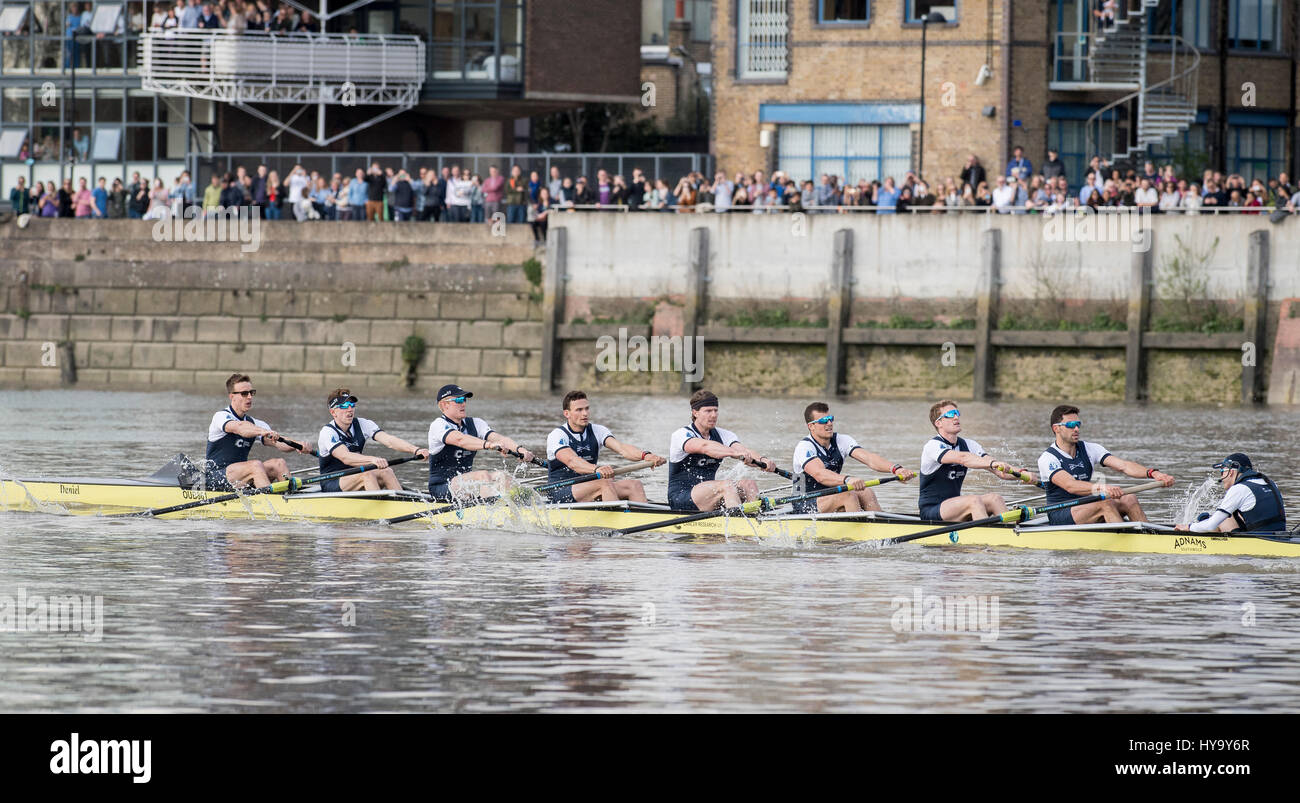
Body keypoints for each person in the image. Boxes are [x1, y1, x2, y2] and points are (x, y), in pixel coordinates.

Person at [1037, 405, 1174, 525]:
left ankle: (1147, 536)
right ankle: (1124, 543)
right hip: (1061, 514)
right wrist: (1103, 488)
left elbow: (1124, 466)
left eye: (1078, 424)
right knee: (1105, 502)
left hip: (1086, 507)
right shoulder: (1048, 458)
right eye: (1071, 425)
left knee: (1129, 498)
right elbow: (1070, 485)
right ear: (1056, 429)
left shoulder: (1090, 449)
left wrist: (1153, 473)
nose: (1077, 429)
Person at [918, 400, 1037, 522]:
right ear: (938, 423)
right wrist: (991, 463)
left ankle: (1012, 535)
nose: (955, 417)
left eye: (957, 413)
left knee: (995, 499)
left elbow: (1000, 471)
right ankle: (988, 536)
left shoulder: (969, 444)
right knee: (973, 500)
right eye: (950, 414)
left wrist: (1023, 473)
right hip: (932, 511)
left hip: (956, 507)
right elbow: (963, 458)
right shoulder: (932, 446)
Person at [545, 390, 665, 504]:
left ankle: (642, 520)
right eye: (579, 410)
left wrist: (646, 455)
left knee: (634, 485)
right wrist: (596, 469)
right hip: (560, 491)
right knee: (604, 483)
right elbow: (572, 461)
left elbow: (622, 448)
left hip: (590, 487)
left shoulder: (598, 430)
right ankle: (618, 522)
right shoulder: (557, 435)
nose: (585, 413)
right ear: (567, 414)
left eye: (587, 408)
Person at [792, 402, 914, 514]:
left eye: (830, 419)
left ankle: (881, 528)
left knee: (866, 492)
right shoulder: (805, 447)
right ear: (811, 426)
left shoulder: (841, 440)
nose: (829, 423)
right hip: (804, 503)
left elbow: (869, 458)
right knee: (847, 495)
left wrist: (895, 469)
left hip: (830, 497)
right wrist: (847, 479)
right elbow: (820, 474)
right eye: (823, 421)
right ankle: (858, 534)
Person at [667, 389, 777, 512]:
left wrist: (762, 460)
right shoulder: (681, 435)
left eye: (715, 410)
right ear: (695, 412)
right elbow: (704, 446)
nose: (714, 415)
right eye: (708, 411)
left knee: (748, 484)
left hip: (710, 495)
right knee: (727, 485)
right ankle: (738, 524)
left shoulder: (724, 435)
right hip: (681, 498)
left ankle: (758, 519)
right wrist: (734, 453)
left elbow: (743, 450)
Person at [426, 384, 536, 502]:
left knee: (502, 477)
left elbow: (499, 438)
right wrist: (488, 445)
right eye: (458, 400)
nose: (463, 403)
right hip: (442, 487)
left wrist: (520, 450)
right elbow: (460, 440)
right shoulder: (438, 425)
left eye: (464, 400)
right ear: (444, 405)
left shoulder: (476, 423)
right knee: (482, 476)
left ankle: (526, 506)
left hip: (465, 484)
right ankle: (492, 512)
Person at [204, 373, 311, 490]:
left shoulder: (256, 423)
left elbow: (279, 443)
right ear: (232, 396)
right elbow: (239, 427)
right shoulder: (221, 417)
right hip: (216, 478)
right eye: (244, 393)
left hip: (240, 476)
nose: (249, 397)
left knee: (279, 464)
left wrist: (298, 445)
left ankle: (293, 499)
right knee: (255, 465)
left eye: (251, 393)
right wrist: (262, 432)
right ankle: (270, 503)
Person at [316, 388, 428, 492]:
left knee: (386, 471)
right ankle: (380, 509)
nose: (350, 409)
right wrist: (373, 459)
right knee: (367, 474)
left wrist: (415, 450)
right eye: (344, 406)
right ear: (333, 412)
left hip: (355, 475)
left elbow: (389, 440)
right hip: (333, 481)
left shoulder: (363, 424)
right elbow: (345, 457)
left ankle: (402, 505)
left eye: (352, 404)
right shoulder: (328, 432)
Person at [1176, 454, 1286, 534]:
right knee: (1230, 514)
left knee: (1215, 521)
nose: (1221, 477)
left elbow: (1211, 524)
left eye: (1222, 471)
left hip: (1259, 542)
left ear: (1231, 472)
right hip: (1281, 535)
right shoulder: (1270, 483)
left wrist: (1189, 527)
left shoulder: (1239, 489)